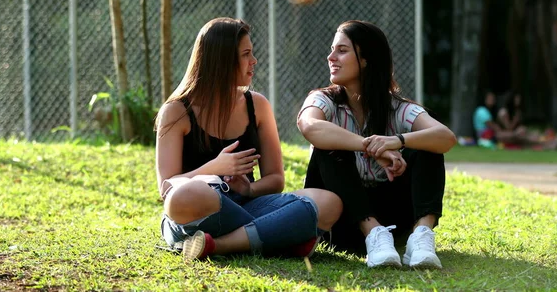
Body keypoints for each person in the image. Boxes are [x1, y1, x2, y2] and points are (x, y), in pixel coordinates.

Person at [155, 17, 342, 260]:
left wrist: (249, 188)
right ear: (221, 60)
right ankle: (279, 235)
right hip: (199, 210)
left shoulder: (257, 105)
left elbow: (275, 180)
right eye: (245, 54)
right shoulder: (177, 111)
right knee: (186, 196)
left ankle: (218, 245)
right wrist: (214, 169)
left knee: (328, 202)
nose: (253, 61)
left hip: (246, 203)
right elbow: (166, 187)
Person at [297, 20, 457, 269]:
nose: (331, 57)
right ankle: (373, 233)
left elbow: (445, 137)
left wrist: (396, 140)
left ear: (366, 59)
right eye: (332, 49)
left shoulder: (397, 107)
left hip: (394, 224)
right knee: (328, 147)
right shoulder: (323, 99)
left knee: (428, 144)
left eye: (342, 50)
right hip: (345, 223)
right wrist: (369, 146)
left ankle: (422, 236)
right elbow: (310, 126)